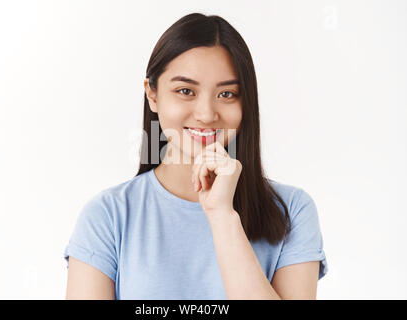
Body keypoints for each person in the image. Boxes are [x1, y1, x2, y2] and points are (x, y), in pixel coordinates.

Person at [64, 12, 328, 300]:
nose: (206, 114)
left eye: (226, 94)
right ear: (152, 95)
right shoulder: (108, 216)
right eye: (185, 90)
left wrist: (222, 216)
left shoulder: (292, 211)